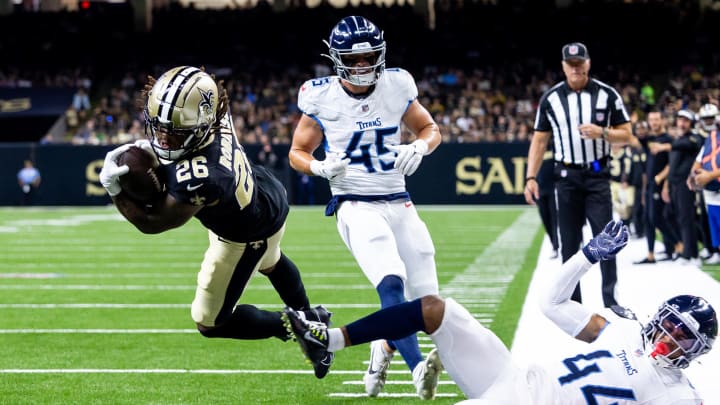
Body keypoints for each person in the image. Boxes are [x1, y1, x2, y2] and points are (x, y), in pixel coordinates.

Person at [284, 220, 718, 404]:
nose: (669, 338)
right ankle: (331, 341)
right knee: (437, 309)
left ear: (696, 351)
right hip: (513, 377)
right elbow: (552, 303)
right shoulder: (620, 329)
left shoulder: (677, 394)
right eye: (671, 326)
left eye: (683, 337)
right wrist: (587, 255)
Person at [98, 66, 330, 376]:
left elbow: (154, 222)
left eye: (174, 130)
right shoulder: (217, 113)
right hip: (266, 196)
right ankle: (311, 320)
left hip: (244, 233)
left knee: (209, 322)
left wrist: (115, 190)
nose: (164, 137)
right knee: (271, 260)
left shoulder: (202, 176)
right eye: (159, 127)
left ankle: (300, 325)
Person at [287, 15, 443, 399]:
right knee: (391, 283)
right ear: (337, 59)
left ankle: (382, 346)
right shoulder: (320, 96)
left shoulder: (395, 85)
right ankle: (417, 368)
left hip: (398, 199)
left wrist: (420, 146)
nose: (362, 66)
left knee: (428, 302)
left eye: (369, 56)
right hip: (354, 203)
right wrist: (319, 166)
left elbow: (430, 128)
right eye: (353, 60)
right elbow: (296, 152)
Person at [525, 42, 633, 307]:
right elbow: (539, 141)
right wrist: (530, 177)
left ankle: (611, 301)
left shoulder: (607, 94)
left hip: (597, 174)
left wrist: (603, 132)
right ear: (563, 66)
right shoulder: (550, 99)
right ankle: (572, 303)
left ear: (588, 63)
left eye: (580, 64)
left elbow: (627, 134)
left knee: (605, 239)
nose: (576, 69)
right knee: (569, 244)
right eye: (571, 64)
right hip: (566, 177)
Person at [635, 110, 681, 264]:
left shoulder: (668, 139)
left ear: (662, 120)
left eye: (656, 119)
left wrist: (662, 180)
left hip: (660, 184)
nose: (654, 122)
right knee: (647, 219)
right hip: (649, 185)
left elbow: (672, 162)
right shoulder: (650, 139)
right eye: (651, 119)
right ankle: (650, 254)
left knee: (656, 217)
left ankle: (678, 245)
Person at [660, 110, 704, 265]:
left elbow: (687, 144)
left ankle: (691, 254)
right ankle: (688, 250)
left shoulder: (694, 137)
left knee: (687, 218)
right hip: (674, 184)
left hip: (687, 184)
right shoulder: (677, 140)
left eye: (685, 120)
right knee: (674, 217)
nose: (682, 123)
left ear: (691, 123)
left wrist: (667, 145)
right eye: (680, 120)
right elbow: (672, 166)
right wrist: (666, 185)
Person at [689, 103, 720, 264]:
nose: (708, 121)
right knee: (711, 220)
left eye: (711, 118)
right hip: (709, 186)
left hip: (713, 180)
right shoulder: (710, 137)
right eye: (705, 118)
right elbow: (699, 159)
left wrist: (709, 175)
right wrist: (692, 176)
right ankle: (714, 249)